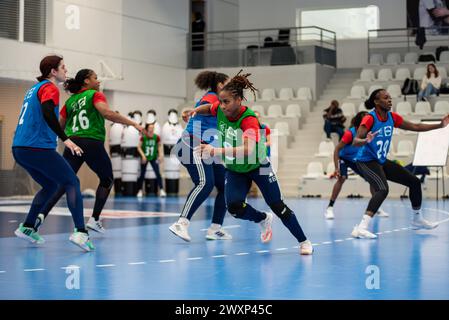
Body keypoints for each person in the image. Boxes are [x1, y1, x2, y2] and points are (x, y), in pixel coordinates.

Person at [194, 71, 313, 255]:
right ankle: (262, 219)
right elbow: (209, 107)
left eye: (227, 102)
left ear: (239, 100)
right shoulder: (219, 108)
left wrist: (215, 151)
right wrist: (194, 111)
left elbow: (247, 150)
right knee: (234, 207)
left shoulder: (249, 120)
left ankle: (304, 241)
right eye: (221, 101)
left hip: (259, 166)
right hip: (236, 169)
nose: (222, 106)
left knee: (278, 206)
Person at [34, 68, 144, 234]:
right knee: (107, 179)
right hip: (91, 142)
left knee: (64, 182)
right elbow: (107, 113)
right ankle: (94, 219)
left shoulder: (70, 102)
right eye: (95, 78)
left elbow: (60, 126)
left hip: (73, 143)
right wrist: (133, 123)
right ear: (86, 81)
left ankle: (39, 217)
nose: (98, 81)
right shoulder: (94, 95)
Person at [12, 55, 94, 251]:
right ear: (53, 72)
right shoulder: (50, 88)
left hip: (20, 148)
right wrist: (66, 139)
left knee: (50, 185)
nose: (66, 70)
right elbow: (48, 112)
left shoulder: (33, 89)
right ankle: (81, 232)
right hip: (37, 147)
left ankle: (28, 227)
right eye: (63, 67)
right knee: (72, 182)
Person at [351, 89, 449, 239]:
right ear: (377, 102)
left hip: (381, 161)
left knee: (414, 182)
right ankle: (361, 227)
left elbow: (415, 127)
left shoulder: (392, 117)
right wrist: (366, 140)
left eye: (390, 97)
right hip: (366, 161)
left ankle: (417, 219)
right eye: (386, 98)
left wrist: (440, 125)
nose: (390, 100)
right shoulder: (369, 119)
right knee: (382, 189)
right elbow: (356, 141)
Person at [169, 71, 232, 241]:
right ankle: (181, 223)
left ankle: (215, 228)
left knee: (226, 186)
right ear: (220, 85)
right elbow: (206, 107)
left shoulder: (224, 103)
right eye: (228, 83)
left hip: (206, 149)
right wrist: (194, 110)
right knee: (205, 183)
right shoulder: (212, 97)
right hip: (191, 144)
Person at [325, 111, 389, 220]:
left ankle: (376, 207)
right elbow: (337, 149)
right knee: (342, 178)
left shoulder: (370, 132)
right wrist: (336, 168)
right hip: (344, 158)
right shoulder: (350, 134)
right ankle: (329, 208)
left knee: (372, 179)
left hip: (357, 159)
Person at [137, 123, 166, 197]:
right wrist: (143, 155)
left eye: (153, 127)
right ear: (147, 129)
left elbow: (159, 146)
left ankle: (162, 190)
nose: (152, 129)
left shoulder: (157, 137)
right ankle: (140, 190)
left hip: (153, 157)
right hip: (145, 157)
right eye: (150, 127)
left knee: (158, 173)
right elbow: (138, 147)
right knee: (142, 174)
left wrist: (160, 155)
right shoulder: (143, 137)